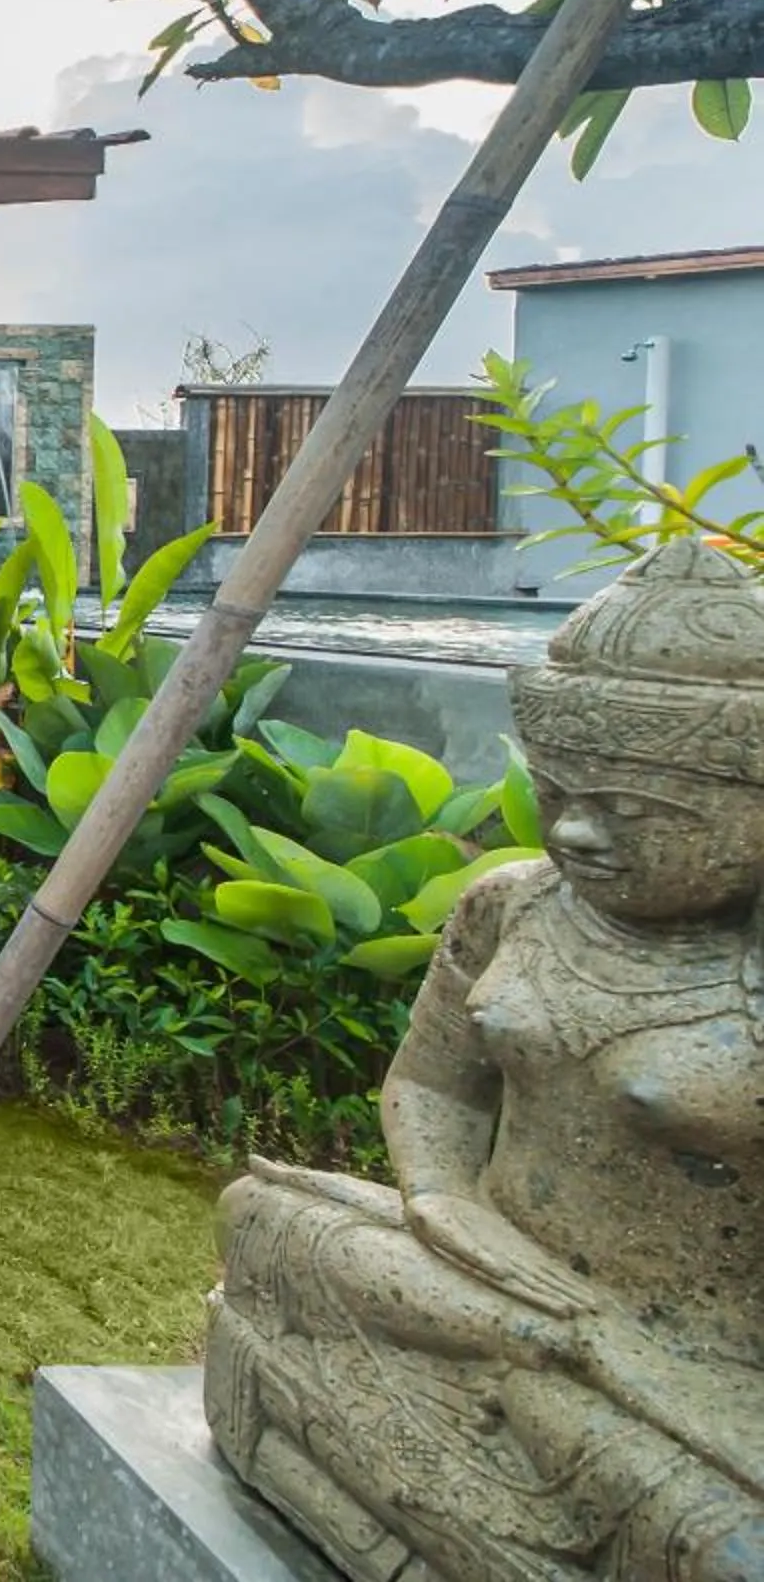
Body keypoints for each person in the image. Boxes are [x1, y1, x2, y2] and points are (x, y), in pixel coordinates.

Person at [206, 538, 764, 1580]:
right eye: (559, 792)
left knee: (717, 1539)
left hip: (673, 1356)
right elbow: (429, 1083)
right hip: (481, 1276)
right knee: (260, 1221)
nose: (582, 830)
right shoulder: (510, 903)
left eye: (639, 810)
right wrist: (443, 1201)